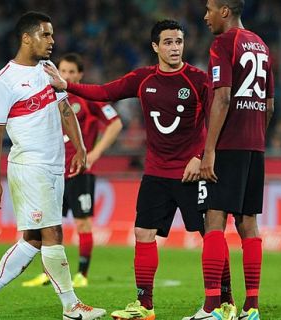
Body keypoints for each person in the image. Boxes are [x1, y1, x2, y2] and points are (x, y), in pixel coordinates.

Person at [46, 19, 210, 320]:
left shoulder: (198, 80)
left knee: (209, 235)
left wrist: (201, 156)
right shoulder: (143, 78)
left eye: (179, 41)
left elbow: (217, 124)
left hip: (191, 172)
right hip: (157, 172)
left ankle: (220, 302)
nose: (175, 47)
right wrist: (67, 85)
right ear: (155, 47)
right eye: (168, 42)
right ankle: (144, 306)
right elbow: (104, 91)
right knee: (143, 232)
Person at [0, 12, 106, 320]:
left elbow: (65, 110)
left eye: (53, 35)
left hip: (55, 164)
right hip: (30, 165)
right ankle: (71, 306)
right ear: (26, 38)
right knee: (53, 232)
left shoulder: (49, 69)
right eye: (46, 35)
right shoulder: (3, 82)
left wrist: (81, 148)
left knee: (32, 239)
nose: (52, 41)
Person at [184, 1, 274, 320]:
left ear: (225, 11)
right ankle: (251, 308)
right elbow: (269, 104)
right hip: (255, 145)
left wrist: (209, 150)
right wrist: (255, 136)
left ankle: (213, 308)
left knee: (213, 221)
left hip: (227, 146)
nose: (205, 16)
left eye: (209, 9)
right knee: (248, 223)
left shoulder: (224, 43)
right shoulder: (260, 44)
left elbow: (221, 97)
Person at [21, 53, 123, 288]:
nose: (65, 75)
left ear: (79, 75)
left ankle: (82, 275)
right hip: (52, 171)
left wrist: (94, 155)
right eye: (62, 71)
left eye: (70, 72)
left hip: (79, 172)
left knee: (82, 223)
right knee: (48, 225)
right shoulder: (47, 97)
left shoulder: (88, 97)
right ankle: (49, 273)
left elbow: (115, 123)